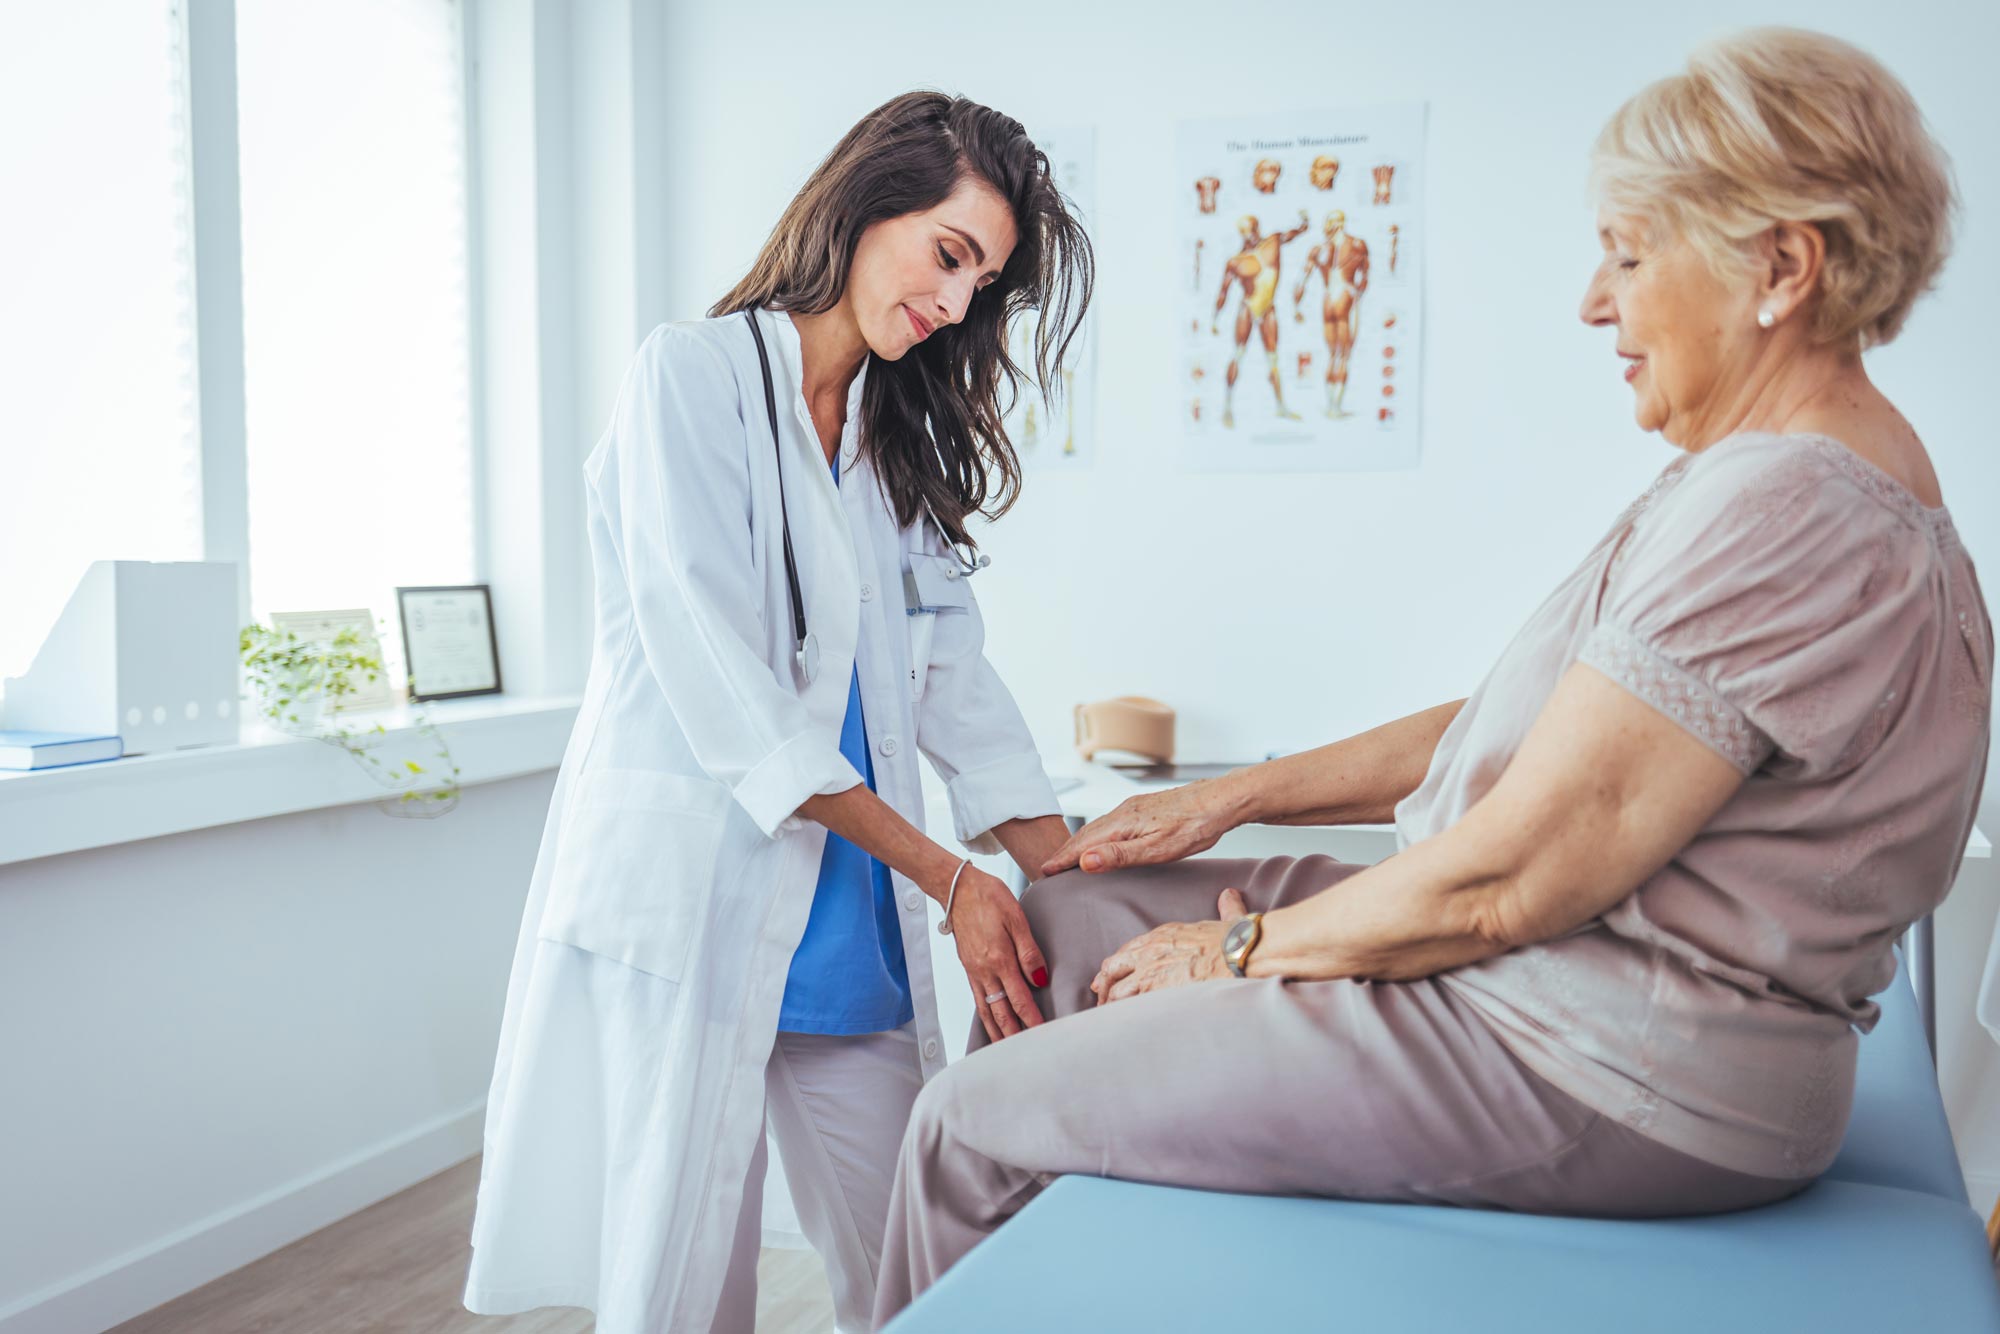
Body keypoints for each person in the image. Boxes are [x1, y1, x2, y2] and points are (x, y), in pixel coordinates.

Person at [872, 28, 1988, 1325]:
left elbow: (1518, 876)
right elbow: (1579, 725)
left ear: (1781, 267)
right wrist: (1233, 801)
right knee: (1072, 913)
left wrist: (1238, 950)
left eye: (1630, 254)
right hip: (1559, 983)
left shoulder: (1797, 509)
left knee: (965, 1125)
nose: (1593, 300)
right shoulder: (1791, 475)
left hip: (1601, 1055)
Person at [462, 91, 1092, 1334]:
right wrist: (954, 884)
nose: (958, 304)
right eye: (948, 255)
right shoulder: (684, 382)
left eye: (984, 282)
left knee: (918, 1264)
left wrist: (1069, 873)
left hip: (845, 919)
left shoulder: (889, 440)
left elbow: (955, 678)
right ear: (865, 207)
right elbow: (729, 700)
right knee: (686, 1288)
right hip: (698, 903)